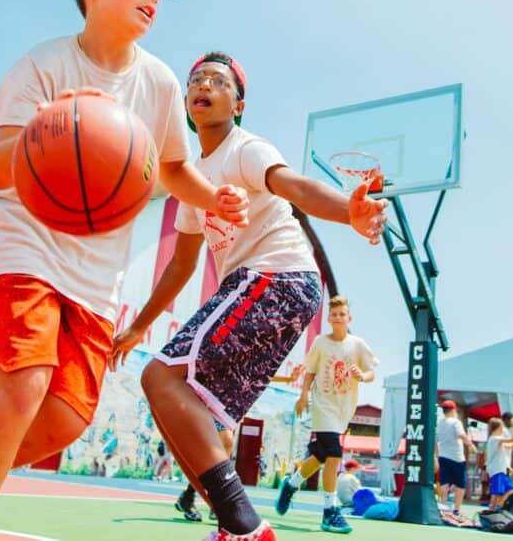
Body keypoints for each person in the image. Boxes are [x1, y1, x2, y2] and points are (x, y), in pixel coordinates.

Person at [0, 0, 251, 541]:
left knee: (64, 418)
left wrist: (211, 196)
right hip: (26, 244)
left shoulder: (160, 84)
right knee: (24, 381)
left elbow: (171, 168)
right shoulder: (43, 66)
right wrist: (51, 127)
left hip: (96, 269)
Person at [112, 51, 387, 540]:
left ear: (238, 104)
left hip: (277, 277)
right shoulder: (192, 176)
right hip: (273, 289)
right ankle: (231, 524)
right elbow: (182, 264)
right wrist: (137, 328)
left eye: (219, 81)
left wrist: (350, 211)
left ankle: (245, 526)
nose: (205, 85)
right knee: (190, 411)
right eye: (197, 78)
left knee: (161, 376)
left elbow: (294, 187)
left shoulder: (245, 148)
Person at [275, 296, 380, 534]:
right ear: (329, 318)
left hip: (344, 406)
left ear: (349, 318)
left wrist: (362, 376)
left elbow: (371, 371)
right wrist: (303, 396)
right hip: (323, 405)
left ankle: (290, 485)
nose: (338, 318)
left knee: (321, 455)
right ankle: (329, 511)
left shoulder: (357, 344)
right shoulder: (321, 343)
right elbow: (310, 372)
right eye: (334, 314)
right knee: (334, 454)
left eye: (342, 314)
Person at [170, 366, 304, 523]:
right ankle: (212, 502)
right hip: (212, 399)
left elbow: (260, 372)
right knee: (223, 445)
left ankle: (192, 497)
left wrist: (289, 379)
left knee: (219, 453)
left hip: (227, 407)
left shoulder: (250, 360)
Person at [436, 400, 478, 516]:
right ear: (453, 410)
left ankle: (443, 505)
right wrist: (471, 445)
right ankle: (456, 509)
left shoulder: (440, 422)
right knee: (460, 483)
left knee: (444, 481)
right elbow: (461, 435)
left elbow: (437, 439)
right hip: (456, 457)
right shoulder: (456, 422)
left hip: (443, 455)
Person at [484, 417, 513, 512]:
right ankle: (492, 509)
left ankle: (498, 506)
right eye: (502, 427)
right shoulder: (495, 439)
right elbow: (512, 439)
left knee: (510, 490)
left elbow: (510, 445)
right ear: (499, 427)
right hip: (496, 470)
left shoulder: (498, 440)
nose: (503, 429)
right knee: (497, 492)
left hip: (501, 470)